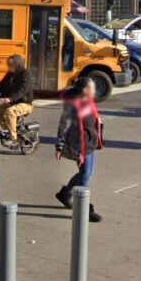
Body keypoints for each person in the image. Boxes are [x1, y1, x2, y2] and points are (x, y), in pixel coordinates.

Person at [54, 77, 103, 222]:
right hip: (80, 145)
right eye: (92, 87)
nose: (94, 90)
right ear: (84, 90)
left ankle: (65, 194)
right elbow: (63, 125)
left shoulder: (87, 100)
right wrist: (59, 146)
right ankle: (84, 209)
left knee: (85, 173)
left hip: (90, 142)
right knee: (85, 176)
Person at [0, 55, 34, 145]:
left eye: (12, 64)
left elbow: (22, 91)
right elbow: (0, 86)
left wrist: (10, 98)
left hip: (25, 104)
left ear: (18, 64)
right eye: (8, 64)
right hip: (13, 102)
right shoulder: (9, 75)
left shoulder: (26, 75)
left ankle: (13, 139)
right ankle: (10, 130)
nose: (10, 66)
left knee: (10, 112)